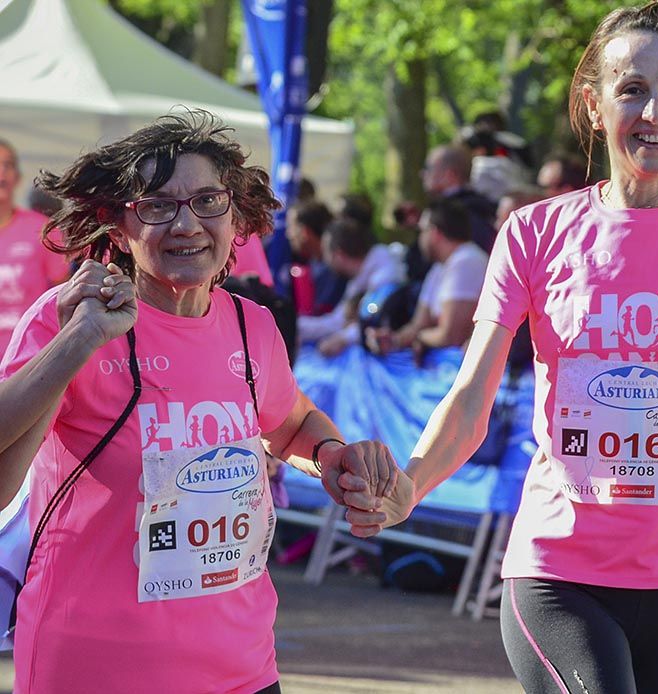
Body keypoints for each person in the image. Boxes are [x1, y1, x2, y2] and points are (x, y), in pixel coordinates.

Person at [333, 3, 658, 691]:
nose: (654, 112)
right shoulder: (533, 233)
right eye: (632, 88)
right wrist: (410, 484)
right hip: (561, 570)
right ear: (594, 103)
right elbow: (470, 397)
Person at [0, 110, 393, 692]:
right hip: (96, 666)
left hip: (243, 668)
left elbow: (291, 424)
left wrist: (333, 454)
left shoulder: (252, 327)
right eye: (157, 206)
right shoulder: (72, 319)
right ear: (118, 226)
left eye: (208, 201)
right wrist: (78, 341)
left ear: (235, 217)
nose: (187, 224)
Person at [366, 197, 488, 357]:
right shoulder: (440, 267)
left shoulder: (466, 260)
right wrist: (393, 340)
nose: (420, 238)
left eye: (422, 230)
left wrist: (419, 338)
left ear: (435, 233)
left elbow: (451, 336)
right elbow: (419, 324)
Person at [300, 217, 406, 356]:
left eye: (327, 252)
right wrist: (293, 326)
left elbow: (375, 320)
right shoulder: (357, 280)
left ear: (339, 255)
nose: (326, 260)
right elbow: (337, 321)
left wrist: (343, 339)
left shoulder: (386, 272)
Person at [0, 138, 68, 353]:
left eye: (8, 165)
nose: (1, 172)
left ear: (17, 177)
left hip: (28, 357)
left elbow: (65, 296)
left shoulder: (43, 230)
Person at [421, 144, 498, 254]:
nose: (422, 174)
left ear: (449, 175)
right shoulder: (481, 206)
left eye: (428, 168)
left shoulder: (458, 215)